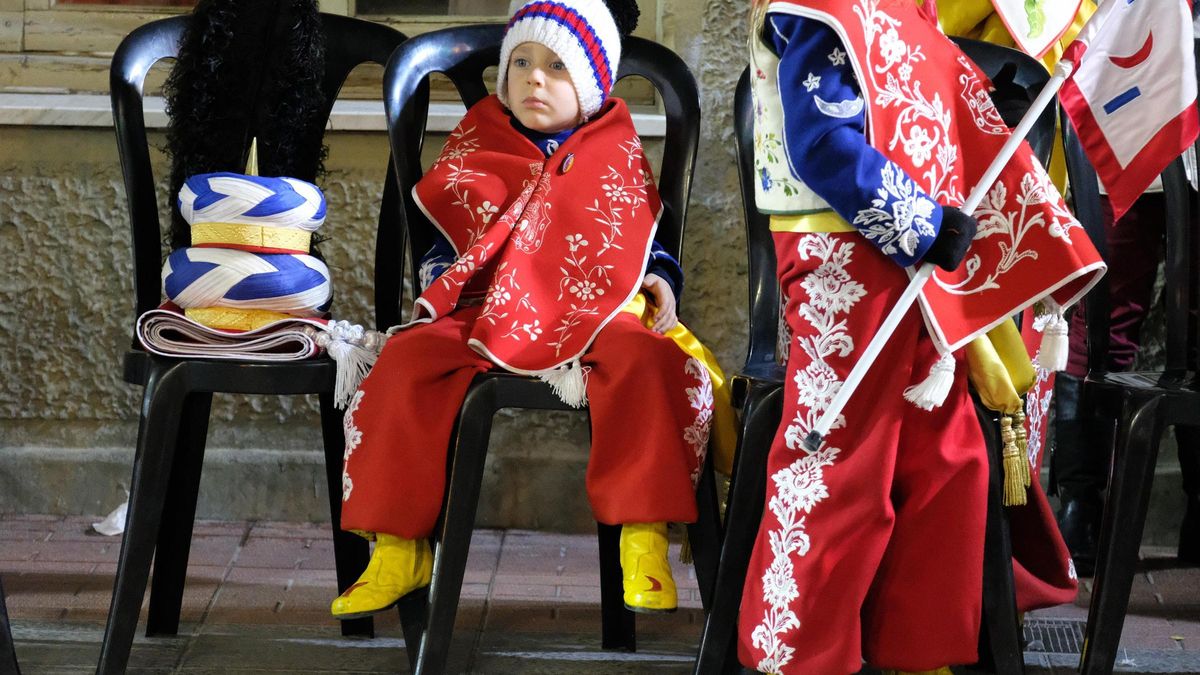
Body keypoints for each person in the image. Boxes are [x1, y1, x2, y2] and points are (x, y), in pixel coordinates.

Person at [328, 0, 729, 620]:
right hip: (486, 309)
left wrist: (659, 281)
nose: (534, 78)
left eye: (556, 67)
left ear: (593, 89)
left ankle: (643, 535)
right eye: (521, 62)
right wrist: (439, 282)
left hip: (594, 312)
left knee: (650, 363)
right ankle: (398, 547)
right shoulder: (479, 139)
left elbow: (643, 234)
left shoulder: (613, 149)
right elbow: (450, 234)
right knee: (404, 362)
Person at [738, 0, 1103, 672]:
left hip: (920, 260)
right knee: (843, 456)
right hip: (844, 252)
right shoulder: (818, 9)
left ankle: (920, 647)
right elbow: (821, 142)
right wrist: (922, 225)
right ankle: (800, 654)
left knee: (949, 454)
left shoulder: (911, 11)